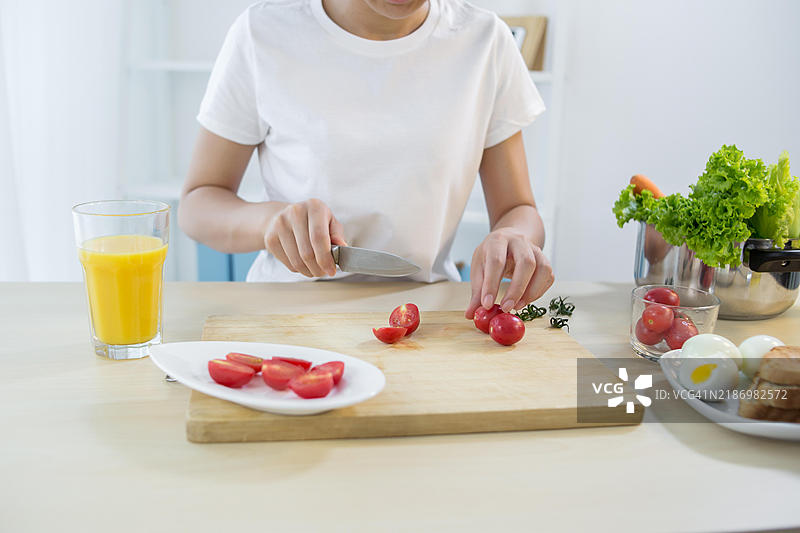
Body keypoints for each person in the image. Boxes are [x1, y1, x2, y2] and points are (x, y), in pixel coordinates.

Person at [178, 0, 554, 320]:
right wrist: (268, 222)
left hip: (426, 318)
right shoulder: (262, 34)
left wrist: (513, 238)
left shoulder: (486, 40)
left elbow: (518, 207)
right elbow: (198, 203)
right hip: (287, 315)